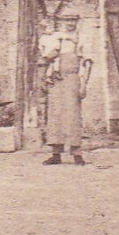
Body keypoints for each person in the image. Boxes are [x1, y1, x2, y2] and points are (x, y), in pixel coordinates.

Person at [37, 23, 92, 166]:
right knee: (55, 116)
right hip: (56, 81)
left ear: (77, 21)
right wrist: (43, 79)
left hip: (72, 80)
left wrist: (84, 85)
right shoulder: (55, 40)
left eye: (74, 19)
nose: (70, 23)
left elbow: (87, 64)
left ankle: (77, 154)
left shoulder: (81, 39)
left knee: (73, 116)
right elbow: (46, 60)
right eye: (66, 19)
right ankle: (56, 154)